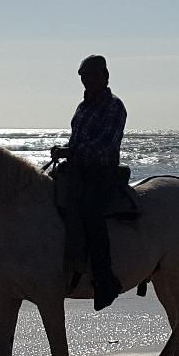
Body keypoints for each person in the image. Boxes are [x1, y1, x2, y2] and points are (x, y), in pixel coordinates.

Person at [50, 55, 128, 310]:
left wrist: (70, 152)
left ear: (105, 77)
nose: (89, 81)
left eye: (94, 76)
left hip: (102, 173)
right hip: (77, 170)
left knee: (91, 213)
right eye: (85, 77)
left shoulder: (115, 107)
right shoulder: (82, 107)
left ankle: (105, 281)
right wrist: (65, 151)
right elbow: (77, 141)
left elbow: (104, 145)